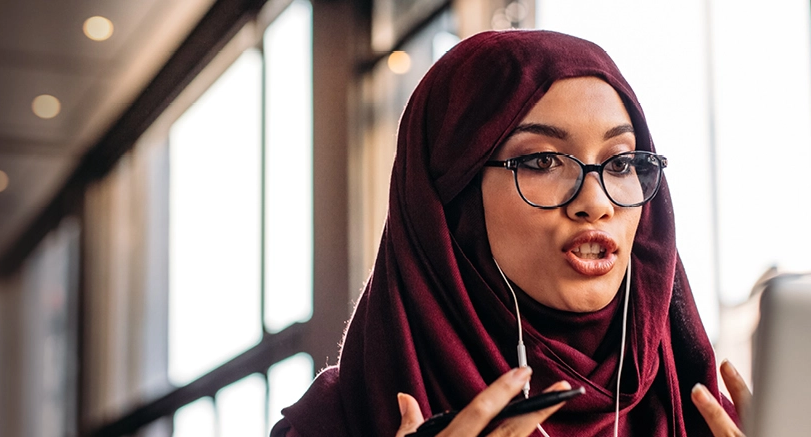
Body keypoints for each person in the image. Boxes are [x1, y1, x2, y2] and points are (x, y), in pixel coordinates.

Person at [270, 30, 749, 437]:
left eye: (621, 162)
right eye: (542, 161)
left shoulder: (711, 418)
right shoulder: (334, 425)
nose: (596, 203)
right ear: (450, 203)